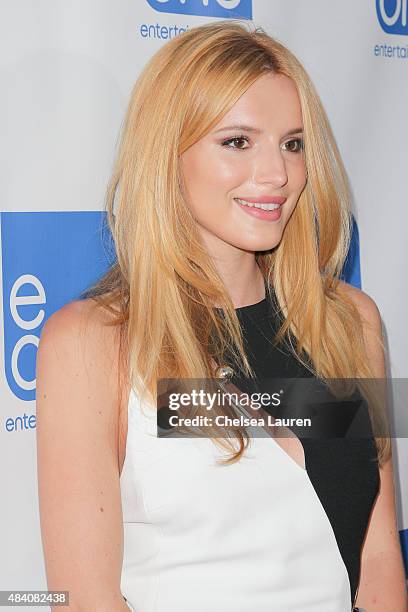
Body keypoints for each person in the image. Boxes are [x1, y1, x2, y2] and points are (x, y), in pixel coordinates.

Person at [35, 19, 407, 612]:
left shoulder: (349, 322)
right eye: (237, 142)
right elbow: (82, 599)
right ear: (167, 156)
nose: (277, 175)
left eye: (293, 142)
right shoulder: (93, 342)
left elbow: (380, 561)